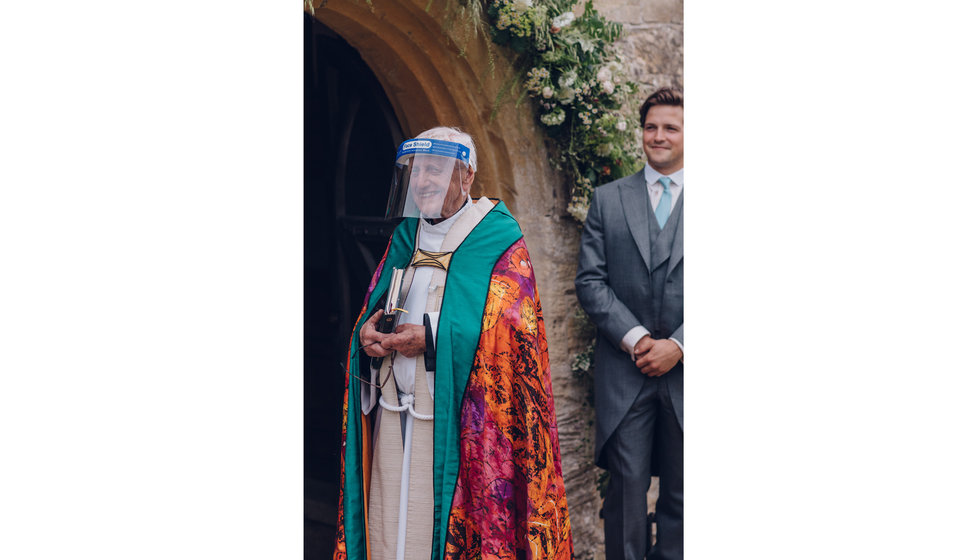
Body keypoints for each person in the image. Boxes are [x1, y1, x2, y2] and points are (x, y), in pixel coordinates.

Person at [333, 126, 573, 560]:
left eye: (436, 170)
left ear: (467, 177)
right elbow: (379, 301)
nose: (422, 180)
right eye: (417, 169)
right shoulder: (406, 236)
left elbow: (514, 332)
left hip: (459, 417)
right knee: (389, 515)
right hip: (391, 403)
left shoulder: (498, 238)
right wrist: (365, 334)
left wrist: (433, 337)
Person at [575, 87, 684, 560]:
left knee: (687, 497)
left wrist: (680, 345)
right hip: (626, 372)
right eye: (651, 127)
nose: (657, 136)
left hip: (690, 372)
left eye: (671, 128)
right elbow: (590, 282)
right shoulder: (607, 199)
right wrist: (638, 339)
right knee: (626, 496)